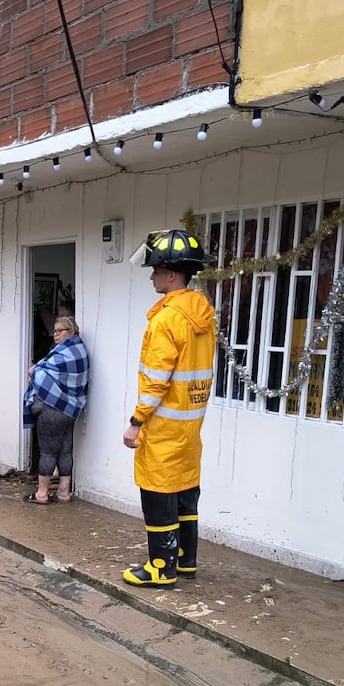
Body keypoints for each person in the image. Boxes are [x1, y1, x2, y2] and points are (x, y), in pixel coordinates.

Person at [121, 229, 216, 588]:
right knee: (185, 492)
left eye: (156, 271)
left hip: (162, 427)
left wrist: (136, 421)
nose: (151, 276)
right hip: (190, 430)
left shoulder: (166, 320)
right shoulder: (202, 316)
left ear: (172, 275)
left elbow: (156, 380)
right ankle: (185, 561)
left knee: (158, 494)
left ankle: (161, 567)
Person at [23, 308, 89, 504]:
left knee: (47, 451)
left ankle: (41, 494)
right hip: (71, 409)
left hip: (53, 408)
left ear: (72, 332)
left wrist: (35, 370)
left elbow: (39, 373)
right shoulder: (79, 350)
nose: (56, 334)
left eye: (61, 330)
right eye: (55, 330)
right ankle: (63, 492)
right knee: (65, 450)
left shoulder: (68, 352)